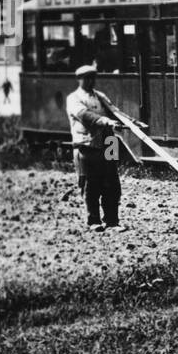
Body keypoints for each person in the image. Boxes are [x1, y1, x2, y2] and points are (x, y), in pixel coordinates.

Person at [67, 64, 126, 231]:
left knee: (113, 183)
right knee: (91, 185)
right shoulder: (74, 98)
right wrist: (104, 121)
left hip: (109, 142)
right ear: (79, 79)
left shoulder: (101, 96)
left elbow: (115, 111)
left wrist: (131, 122)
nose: (91, 81)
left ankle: (113, 221)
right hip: (87, 145)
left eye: (93, 77)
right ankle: (94, 221)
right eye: (86, 78)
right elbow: (84, 115)